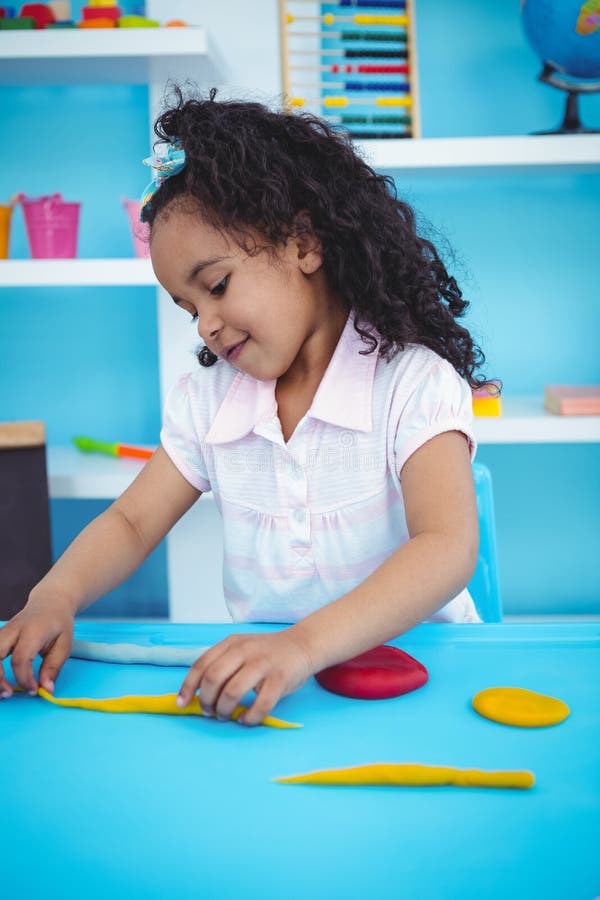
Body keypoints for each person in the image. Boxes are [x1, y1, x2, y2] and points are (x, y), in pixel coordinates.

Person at [0, 88, 491, 724]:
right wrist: (52, 596)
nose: (205, 324)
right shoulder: (208, 401)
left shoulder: (413, 383)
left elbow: (446, 546)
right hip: (274, 689)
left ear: (304, 244)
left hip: (425, 681)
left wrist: (302, 646)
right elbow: (131, 523)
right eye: (188, 307)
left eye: (218, 286)